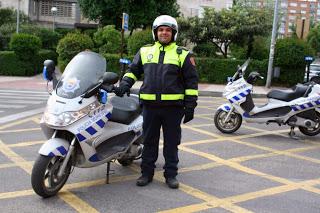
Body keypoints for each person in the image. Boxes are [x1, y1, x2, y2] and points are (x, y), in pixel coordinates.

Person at [114, 15, 198, 189]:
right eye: (161, 30)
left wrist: (190, 105)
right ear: (155, 32)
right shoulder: (145, 51)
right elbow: (133, 71)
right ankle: (146, 173)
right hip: (150, 107)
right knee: (149, 142)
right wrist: (124, 84)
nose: (164, 33)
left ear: (174, 33)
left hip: (173, 109)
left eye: (168, 30)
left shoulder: (183, 54)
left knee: (171, 143)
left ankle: (171, 175)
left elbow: (191, 82)